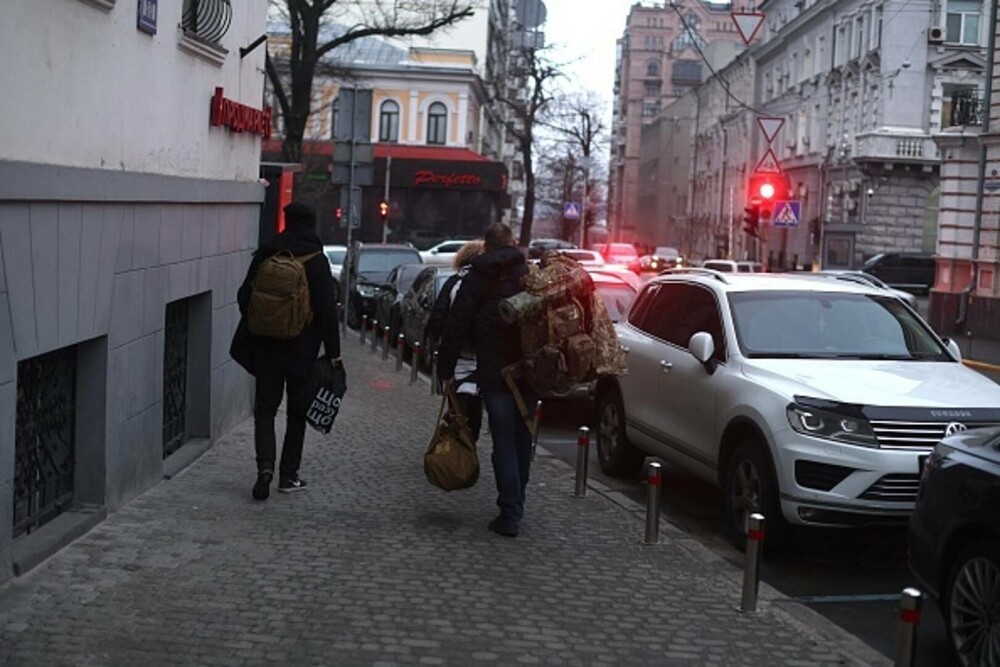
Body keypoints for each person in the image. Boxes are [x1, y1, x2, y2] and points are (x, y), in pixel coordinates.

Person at [230, 202, 341, 501]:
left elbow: (244, 296)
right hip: (301, 351)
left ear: (286, 221)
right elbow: (327, 312)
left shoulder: (268, 253)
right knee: (296, 413)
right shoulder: (316, 259)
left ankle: (264, 468)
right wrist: (334, 353)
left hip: (266, 347)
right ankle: (288, 476)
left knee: (265, 410)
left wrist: (261, 326)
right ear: (312, 224)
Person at [437, 223, 535, 538]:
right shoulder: (528, 274)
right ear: (512, 243)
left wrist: (446, 369)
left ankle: (510, 513)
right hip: (528, 372)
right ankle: (517, 500)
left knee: (503, 440)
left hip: (494, 373)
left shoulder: (477, 278)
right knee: (522, 438)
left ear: (486, 248)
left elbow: (456, 325)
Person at [426, 240, 485, 443]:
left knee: (457, 413)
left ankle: (457, 458)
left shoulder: (453, 283)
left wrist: (444, 368)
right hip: (484, 364)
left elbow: (437, 321)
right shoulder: (491, 284)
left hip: (458, 363)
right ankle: (470, 452)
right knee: (475, 415)